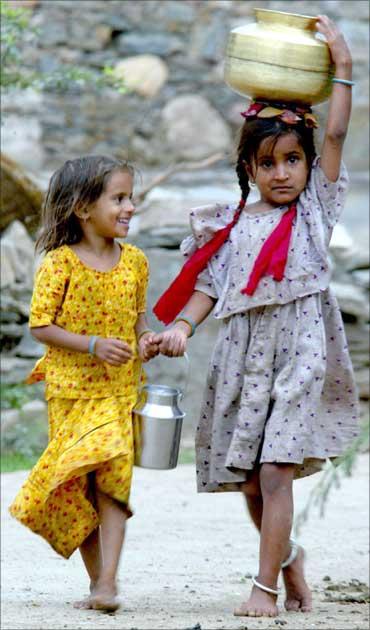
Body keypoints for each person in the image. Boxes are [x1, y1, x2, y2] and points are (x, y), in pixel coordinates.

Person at [152, 16, 359, 618]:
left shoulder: (318, 208)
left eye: (293, 159)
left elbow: (340, 133)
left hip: (301, 349)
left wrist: (343, 69)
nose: (282, 173)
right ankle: (288, 558)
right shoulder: (229, 226)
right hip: (243, 357)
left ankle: (263, 587)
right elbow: (207, 290)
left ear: (307, 163)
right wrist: (181, 328)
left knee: (275, 471)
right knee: (250, 482)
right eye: (268, 163)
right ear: (249, 168)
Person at [9, 155, 159, 612]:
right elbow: (41, 327)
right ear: (82, 207)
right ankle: (99, 582)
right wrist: (92, 344)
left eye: (130, 196)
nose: (130, 206)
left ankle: (108, 582)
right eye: (118, 198)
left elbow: (139, 323)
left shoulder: (135, 261)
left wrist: (149, 340)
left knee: (113, 479)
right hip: (72, 393)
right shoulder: (59, 264)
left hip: (119, 391)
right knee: (80, 485)